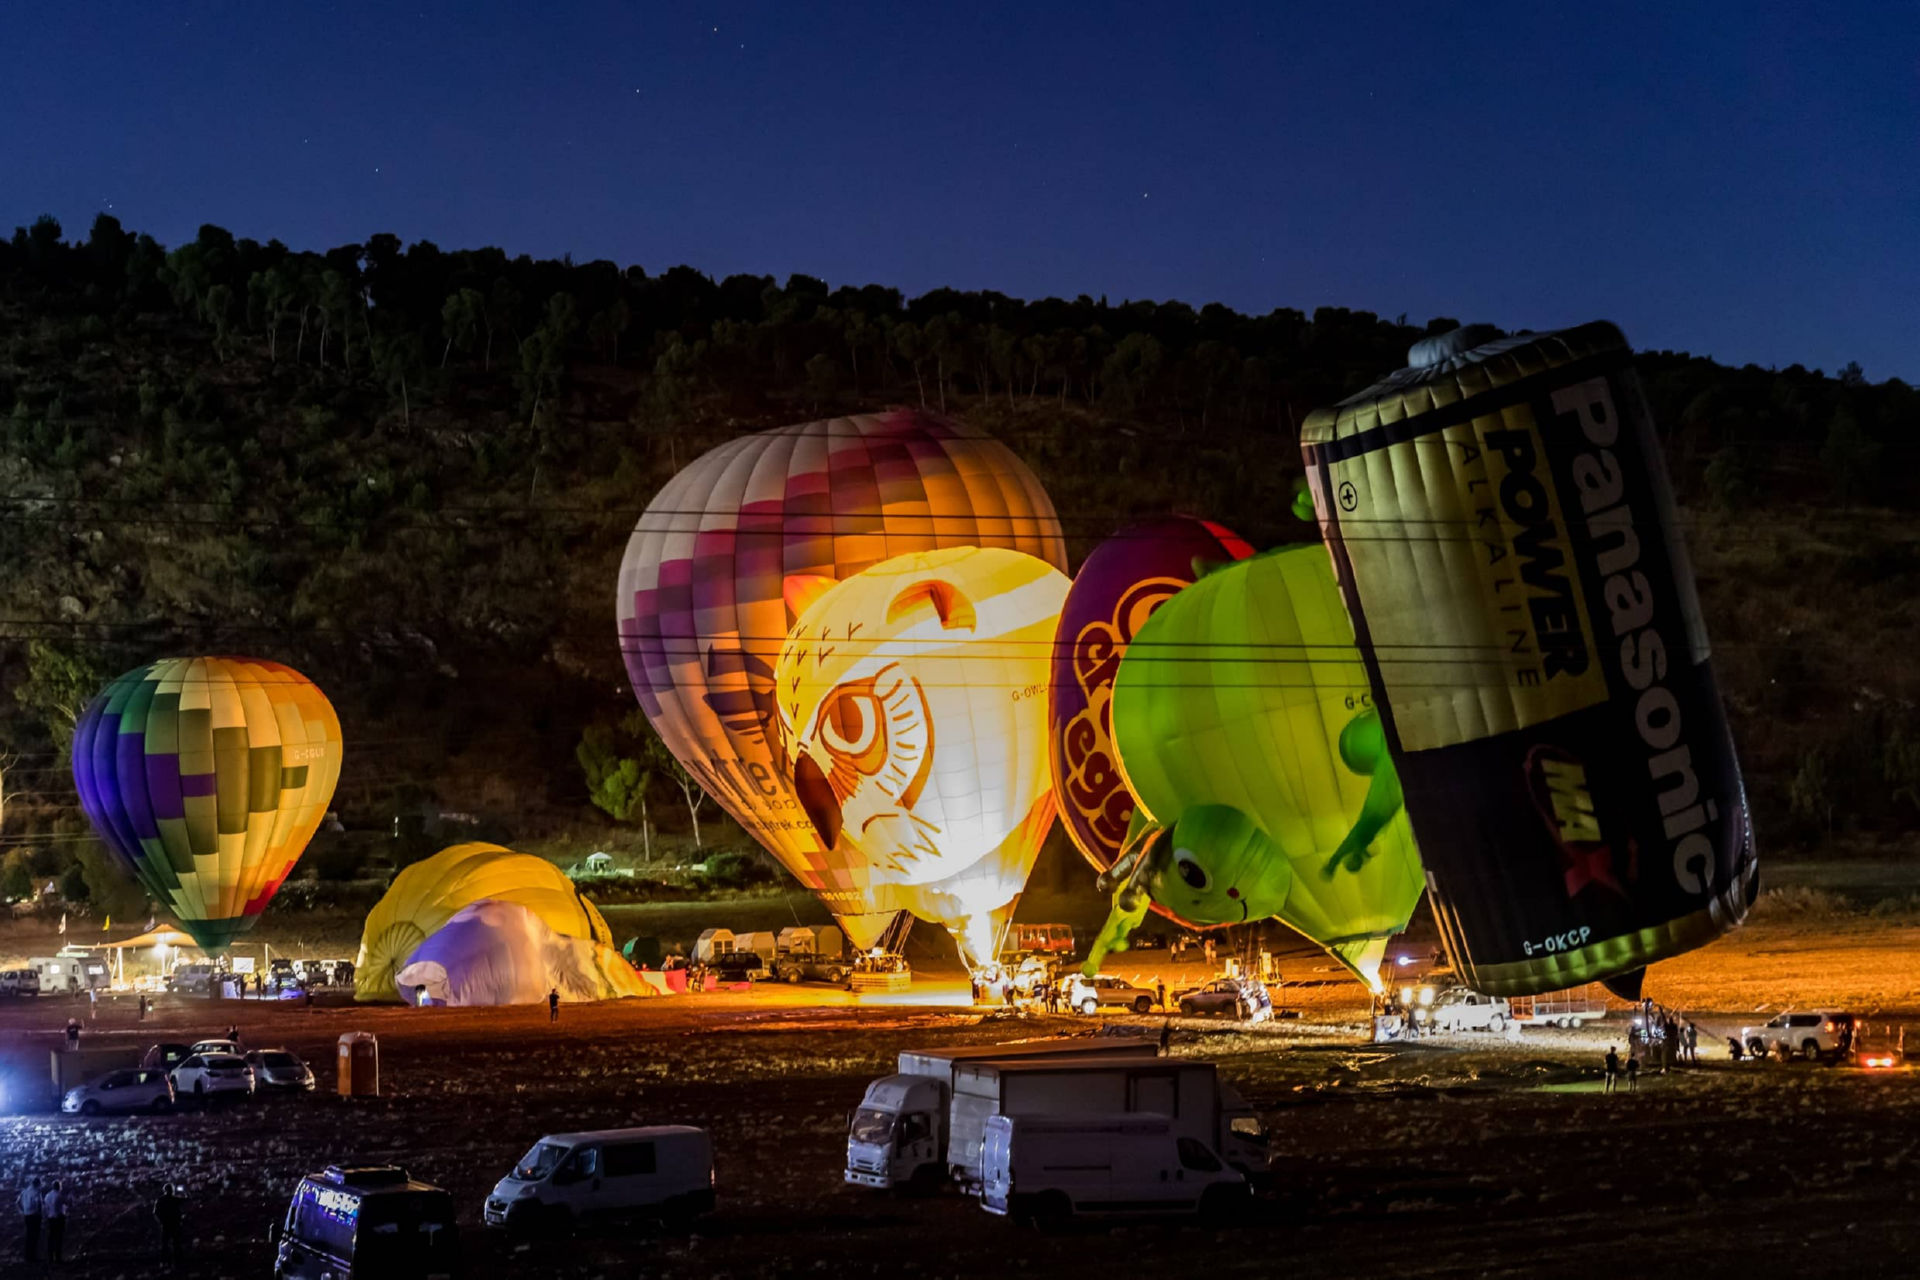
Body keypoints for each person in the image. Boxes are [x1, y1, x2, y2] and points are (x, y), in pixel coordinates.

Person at [154, 1183, 184, 1268]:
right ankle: (177, 1263)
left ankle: (165, 1262)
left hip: (166, 1225)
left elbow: (156, 1212)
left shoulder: (160, 1200)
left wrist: (161, 1221)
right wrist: (183, 1192)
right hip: (175, 1224)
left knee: (165, 1245)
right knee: (176, 1244)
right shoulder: (175, 1199)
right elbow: (188, 1198)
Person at [18, 1175, 42, 1263]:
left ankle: (28, 1256)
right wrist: (40, 1214)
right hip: (34, 1216)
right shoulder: (36, 1192)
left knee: (28, 1236)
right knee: (34, 1236)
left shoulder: (25, 1191)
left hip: (26, 1216)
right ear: (38, 1184)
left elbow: (17, 1202)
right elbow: (39, 1204)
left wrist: (22, 1211)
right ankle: (33, 1256)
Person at [42, 1179, 66, 1263]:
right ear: (59, 1187)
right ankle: (58, 1257)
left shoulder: (47, 1196)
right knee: (58, 1238)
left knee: (51, 1238)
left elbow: (45, 1208)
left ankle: (50, 1257)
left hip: (50, 1219)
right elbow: (60, 1208)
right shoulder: (59, 1196)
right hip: (58, 1219)